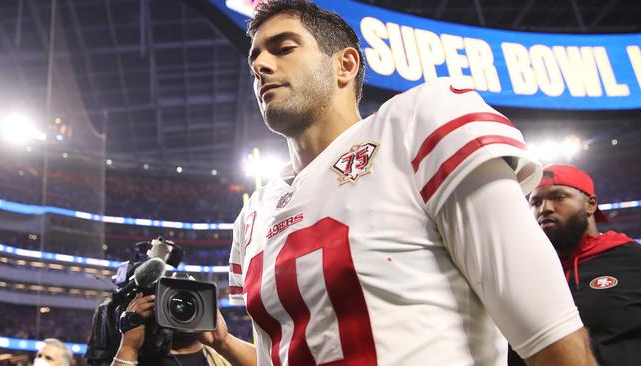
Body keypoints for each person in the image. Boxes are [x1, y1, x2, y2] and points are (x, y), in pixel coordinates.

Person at [228, 1, 598, 365]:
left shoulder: (417, 122)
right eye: (255, 57)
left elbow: (549, 331)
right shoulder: (252, 217)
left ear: (345, 65)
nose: (260, 65)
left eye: (284, 48)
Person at [521, 163, 641, 365]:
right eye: (535, 202)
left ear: (590, 205)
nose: (545, 208)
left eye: (558, 197)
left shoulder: (632, 260)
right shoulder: (525, 273)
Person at [110, 293, 255, 366]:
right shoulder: (137, 358)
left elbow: (273, 362)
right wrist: (129, 347)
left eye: (190, 302)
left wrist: (223, 341)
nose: (181, 309)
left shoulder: (221, 356)